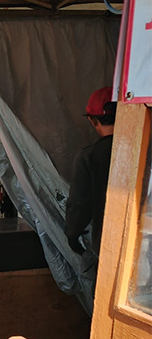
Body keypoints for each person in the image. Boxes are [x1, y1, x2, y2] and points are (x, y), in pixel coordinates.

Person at [65, 86, 116, 259]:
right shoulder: (144, 148)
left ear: (93, 120)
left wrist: (73, 235)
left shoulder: (89, 157)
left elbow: (79, 204)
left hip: (110, 245)